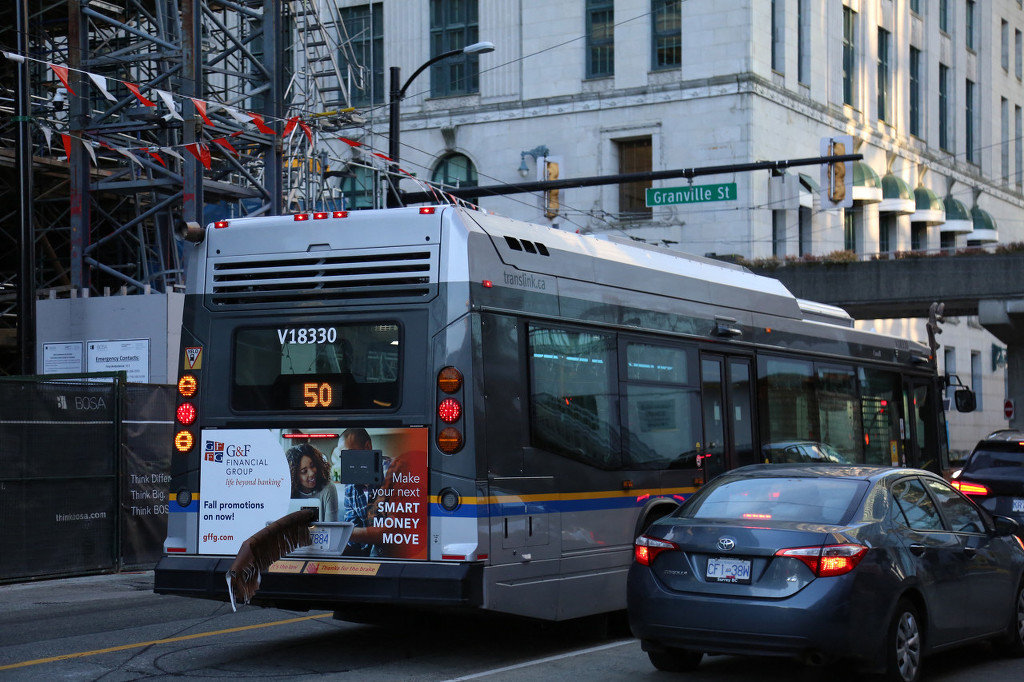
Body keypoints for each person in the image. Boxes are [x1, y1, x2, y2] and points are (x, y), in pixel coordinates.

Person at [340, 428, 381, 556]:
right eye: (342, 456)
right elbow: (354, 541)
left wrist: (342, 533)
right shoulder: (350, 488)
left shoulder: (394, 474)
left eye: (350, 454)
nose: (346, 462)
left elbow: (394, 531)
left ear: (368, 447)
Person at [287, 443, 339, 522]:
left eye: (312, 466)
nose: (311, 473)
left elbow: (332, 529)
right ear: (294, 476)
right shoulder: (288, 493)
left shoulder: (328, 489)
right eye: (304, 471)